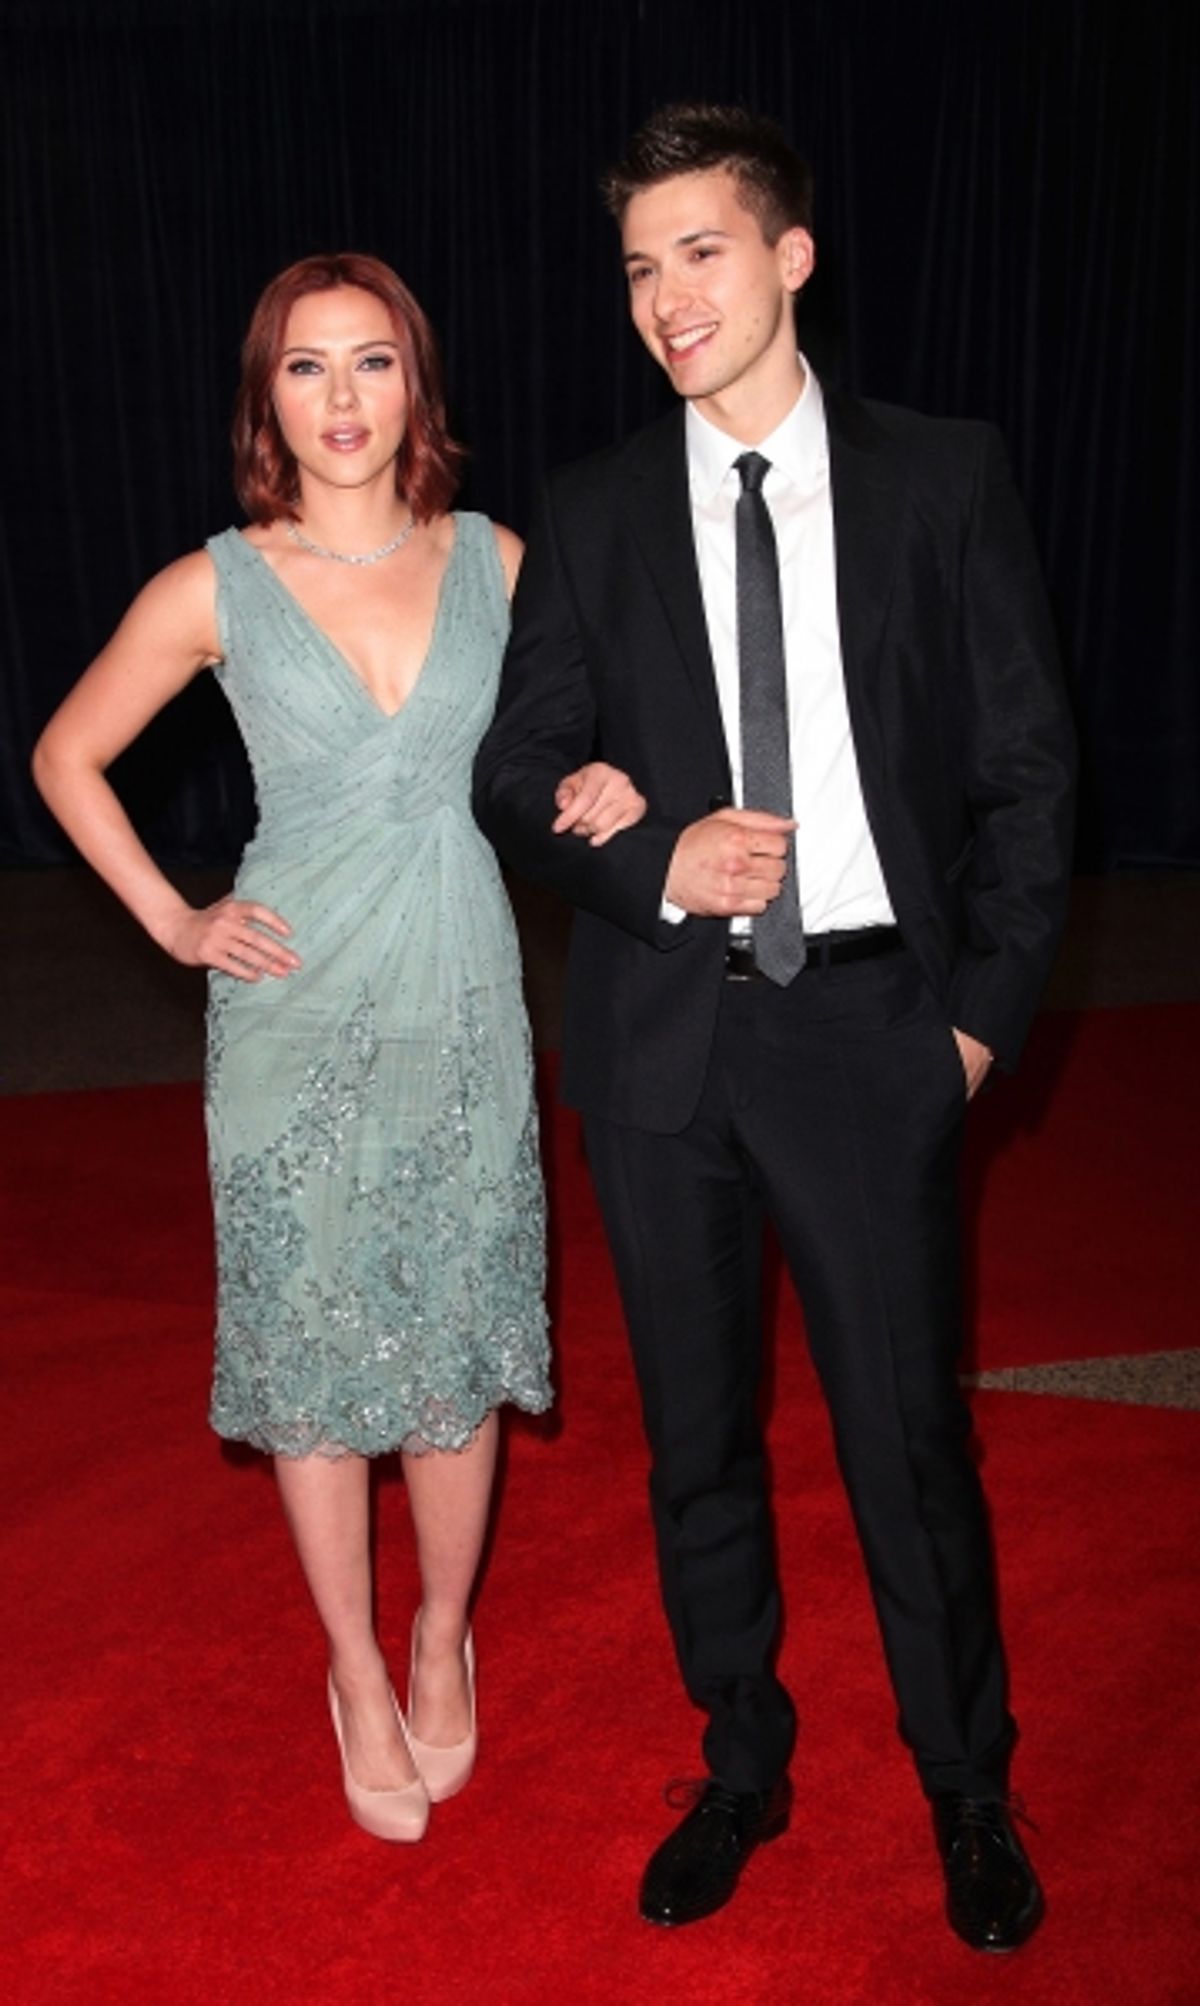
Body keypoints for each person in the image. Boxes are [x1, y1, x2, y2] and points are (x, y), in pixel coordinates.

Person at [473, 105, 1076, 1946]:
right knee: (697, 1442)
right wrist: (651, 853)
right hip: (663, 1048)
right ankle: (741, 1757)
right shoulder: (590, 507)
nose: (667, 296)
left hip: (873, 1032)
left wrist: (970, 1034)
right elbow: (514, 772)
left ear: (790, 256)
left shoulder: (941, 478)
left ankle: (965, 1781)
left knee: (908, 1441)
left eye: (702, 252)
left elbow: (1032, 779)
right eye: (639, 267)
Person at [32, 251, 643, 1845]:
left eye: (372, 360)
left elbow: (589, 738)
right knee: (312, 1354)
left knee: (453, 1342)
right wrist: (176, 922)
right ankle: (357, 1667)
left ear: (414, 383)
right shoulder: (214, 586)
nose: (343, 396)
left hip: (459, 993)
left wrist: (607, 781)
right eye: (306, 367)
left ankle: (441, 1633)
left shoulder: (495, 560)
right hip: (291, 1009)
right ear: (268, 398)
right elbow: (66, 754)